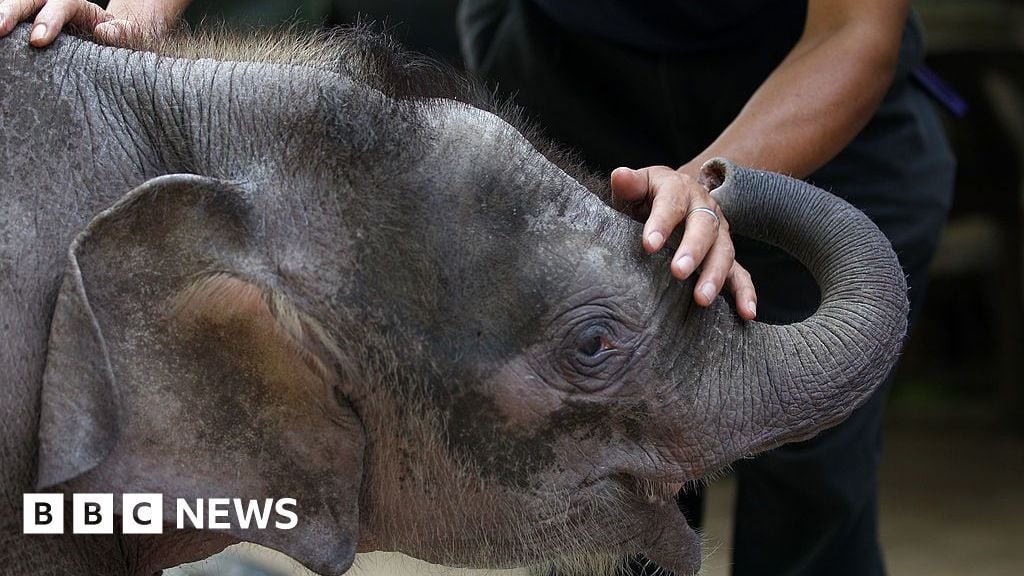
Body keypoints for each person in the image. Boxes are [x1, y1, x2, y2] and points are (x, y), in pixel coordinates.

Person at [0, 1, 955, 574]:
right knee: (592, 507)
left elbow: (852, 38)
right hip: (579, 124)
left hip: (810, 147)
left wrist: (708, 185)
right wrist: (128, 9)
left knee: (811, 503)